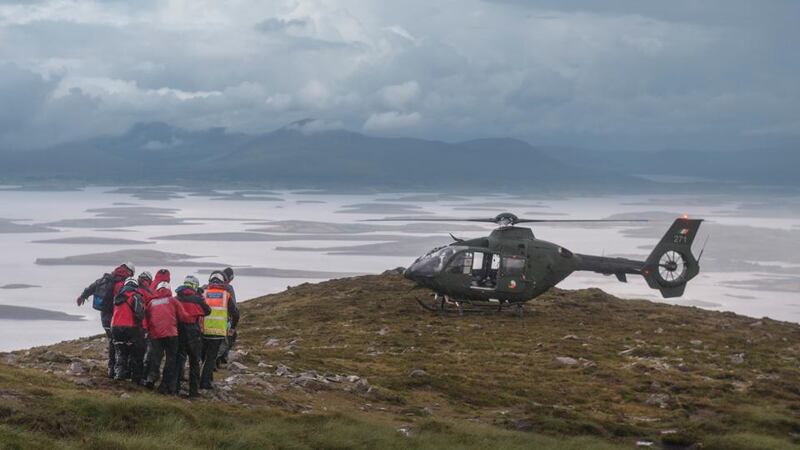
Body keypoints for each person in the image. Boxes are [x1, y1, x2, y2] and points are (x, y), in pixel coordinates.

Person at [76, 262, 135, 378]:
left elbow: (92, 286)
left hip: (104, 316)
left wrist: (83, 296)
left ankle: (111, 369)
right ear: (130, 272)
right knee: (118, 344)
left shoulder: (107, 278)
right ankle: (117, 370)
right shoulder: (123, 284)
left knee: (112, 342)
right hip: (117, 317)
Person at [144, 269, 187, 395]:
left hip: (155, 335)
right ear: (169, 290)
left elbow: (146, 318)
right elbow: (183, 317)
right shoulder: (173, 301)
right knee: (170, 359)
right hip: (171, 334)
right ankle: (164, 384)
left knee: (155, 358)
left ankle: (151, 379)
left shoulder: (151, 303)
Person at [201, 271, 239, 390]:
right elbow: (236, 314)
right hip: (217, 332)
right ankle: (205, 382)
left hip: (202, 331)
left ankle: (205, 378)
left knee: (204, 356)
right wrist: (232, 328)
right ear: (223, 282)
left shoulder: (203, 293)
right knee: (211, 358)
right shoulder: (226, 295)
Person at [175, 275, 210, 397]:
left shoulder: (176, 298)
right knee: (194, 361)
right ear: (195, 286)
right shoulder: (198, 299)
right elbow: (208, 311)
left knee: (179, 360)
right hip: (193, 331)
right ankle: (193, 392)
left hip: (178, 330)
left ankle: (175, 388)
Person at [111, 277, 146, 383]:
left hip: (115, 327)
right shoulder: (135, 296)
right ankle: (135, 378)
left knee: (120, 351)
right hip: (130, 327)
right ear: (135, 286)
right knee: (135, 353)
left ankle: (119, 374)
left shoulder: (117, 297)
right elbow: (139, 314)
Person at [217, 267, 238, 366]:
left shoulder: (209, 286)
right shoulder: (229, 288)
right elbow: (234, 306)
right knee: (231, 336)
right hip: (225, 319)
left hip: (208, 320)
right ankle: (222, 357)